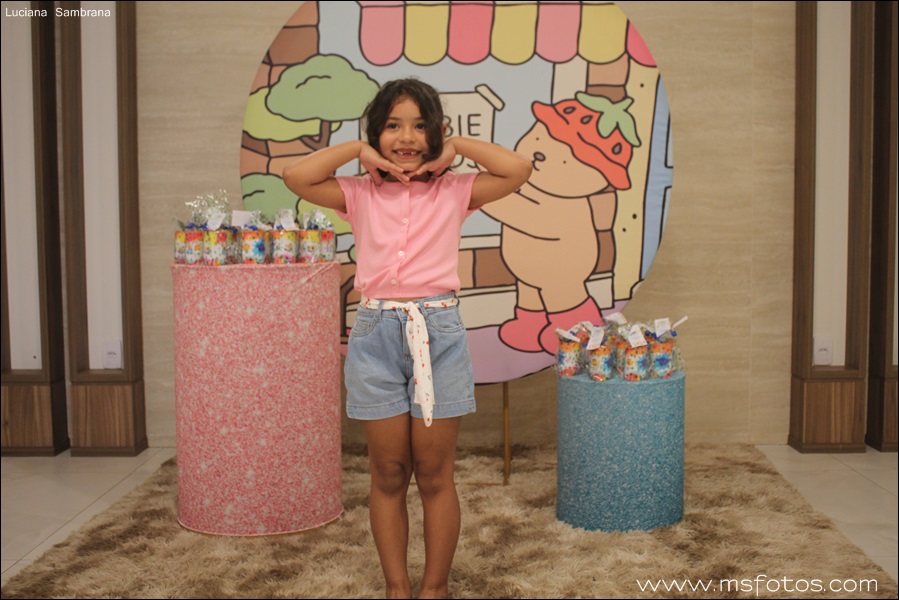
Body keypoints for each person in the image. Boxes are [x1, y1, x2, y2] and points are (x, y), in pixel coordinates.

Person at [283, 78, 531, 599]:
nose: (407, 137)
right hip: (375, 335)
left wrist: (456, 148)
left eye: (420, 126)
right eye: (393, 126)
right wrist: (357, 152)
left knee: (435, 473)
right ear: (377, 133)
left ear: (435, 133)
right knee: (390, 472)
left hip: (437, 333)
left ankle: (434, 588)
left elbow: (517, 169)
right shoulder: (358, 193)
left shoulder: (455, 190)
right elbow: (296, 176)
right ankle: (397, 587)